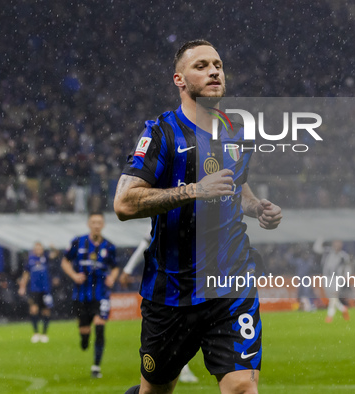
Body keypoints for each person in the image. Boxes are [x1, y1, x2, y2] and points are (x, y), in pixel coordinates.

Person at [114, 39, 282, 394]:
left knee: (241, 387)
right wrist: (193, 190)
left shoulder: (238, 131)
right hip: (172, 291)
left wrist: (257, 208)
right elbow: (124, 203)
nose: (213, 72)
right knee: (157, 389)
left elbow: (238, 186)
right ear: (179, 80)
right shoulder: (161, 133)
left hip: (231, 283)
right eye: (201, 66)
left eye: (217, 65)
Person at [120, 233, 199, 384]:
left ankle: (171, 368)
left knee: (179, 329)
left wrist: (127, 270)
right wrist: (128, 269)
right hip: (166, 285)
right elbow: (144, 244)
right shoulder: (164, 217)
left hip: (178, 284)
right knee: (174, 329)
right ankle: (163, 370)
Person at [61, 212, 120, 379]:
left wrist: (112, 277)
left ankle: (96, 367)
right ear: (88, 224)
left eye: (99, 222)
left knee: (100, 326)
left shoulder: (109, 246)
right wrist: (74, 276)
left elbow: (115, 267)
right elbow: (64, 261)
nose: (96, 225)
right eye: (93, 222)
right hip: (81, 295)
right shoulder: (77, 242)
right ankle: (84, 338)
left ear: (103, 225)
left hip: (101, 294)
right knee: (85, 332)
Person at [18, 242, 54, 343]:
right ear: (34, 249)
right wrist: (22, 286)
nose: (38, 249)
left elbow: (55, 254)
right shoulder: (30, 261)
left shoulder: (46, 258)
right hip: (34, 289)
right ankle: (36, 333)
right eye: (36, 248)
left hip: (46, 289)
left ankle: (44, 334)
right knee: (33, 310)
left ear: (42, 249)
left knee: (46, 311)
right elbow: (25, 274)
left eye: (40, 248)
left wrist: (53, 247)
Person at [313, 238, 351, 323]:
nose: (337, 245)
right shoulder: (327, 251)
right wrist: (321, 238)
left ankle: (329, 316)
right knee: (332, 298)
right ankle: (343, 308)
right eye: (336, 243)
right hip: (326, 277)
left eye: (339, 243)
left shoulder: (344, 256)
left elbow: (348, 268)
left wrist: (346, 276)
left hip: (336, 279)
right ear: (333, 244)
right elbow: (316, 248)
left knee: (333, 298)